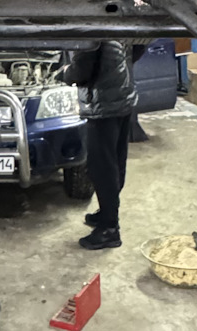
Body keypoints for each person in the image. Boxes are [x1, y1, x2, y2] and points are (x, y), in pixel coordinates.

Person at [60, 41, 141, 251]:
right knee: (115, 162)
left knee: (102, 168)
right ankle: (107, 213)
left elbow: (82, 70)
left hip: (102, 105)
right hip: (123, 97)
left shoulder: (90, 30)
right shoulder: (118, 25)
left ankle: (109, 229)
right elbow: (139, 48)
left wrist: (65, 73)